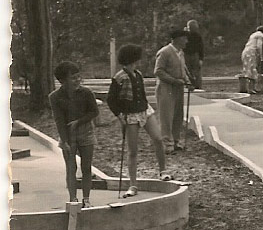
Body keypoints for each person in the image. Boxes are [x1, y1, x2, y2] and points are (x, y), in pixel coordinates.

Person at [107, 43, 172, 197]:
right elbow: (111, 99)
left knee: (158, 138)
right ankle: (133, 185)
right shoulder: (119, 77)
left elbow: (141, 94)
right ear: (131, 58)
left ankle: (163, 171)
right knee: (133, 150)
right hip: (130, 115)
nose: (138, 61)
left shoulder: (138, 74)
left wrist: (146, 109)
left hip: (144, 110)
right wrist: (119, 116)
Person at [49, 61, 99, 208]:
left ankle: (87, 199)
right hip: (67, 135)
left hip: (86, 132)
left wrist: (79, 121)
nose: (77, 80)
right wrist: (64, 140)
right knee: (71, 168)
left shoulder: (87, 93)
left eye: (79, 77)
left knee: (86, 167)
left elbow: (94, 112)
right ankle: (73, 199)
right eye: (73, 78)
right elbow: (58, 119)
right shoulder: (55, 97)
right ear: (62, 81)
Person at [155, 29, 193, 152]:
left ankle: (175, 141)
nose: (186, 41)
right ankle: (166, 144)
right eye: (184, 38)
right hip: (166, 87)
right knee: (166, 115)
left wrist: (188, 81)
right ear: (177, 39)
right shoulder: (165, 52)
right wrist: (173, 80)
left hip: (179, 87)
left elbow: (183, 69)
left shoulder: (180, 53)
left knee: (178, 115)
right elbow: (158, 71)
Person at [241, 26, 263, 94]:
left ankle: (249, 88)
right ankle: (251, 89)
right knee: (252, 70)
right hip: (251, 53)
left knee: (248, 70)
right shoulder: (260, 35)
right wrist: (261, 56)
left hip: (245, 52)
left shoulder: (253, 34)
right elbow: (259, 46)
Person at [183, 19, 205, 91]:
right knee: (187, 72)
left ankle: (198, 87)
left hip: (195, 55)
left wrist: (201, 59)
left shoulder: (197, 36)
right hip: (186, 55)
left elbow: (201, 48)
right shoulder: (185, 35)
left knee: (197, 72)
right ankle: (189, 86)